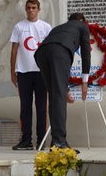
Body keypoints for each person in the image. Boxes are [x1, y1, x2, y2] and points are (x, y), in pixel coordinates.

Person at [34, 13, 91, 150]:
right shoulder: (82, 27)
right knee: (58, 97)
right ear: (82, 21)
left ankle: (56, 141)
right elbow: (86, 53)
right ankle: (59, 142)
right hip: (60, 52)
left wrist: (64, 89)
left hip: (41, 54)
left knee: (54, 96)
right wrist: (85, 81)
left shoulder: (59, 28)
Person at [10, 0, 52, 150]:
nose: (31, 10)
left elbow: (50, 50)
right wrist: (12, 71)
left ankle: (41, 141)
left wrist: (50, 70)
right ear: (25, 9)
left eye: (34, 7)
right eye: (28, 8)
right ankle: (26, 140)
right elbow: (14, 49)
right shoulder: (19, 27)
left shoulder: (46, 27)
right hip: (23, 72)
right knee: (25, 108)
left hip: (41, 73)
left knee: (42, 108)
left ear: (39, 9)